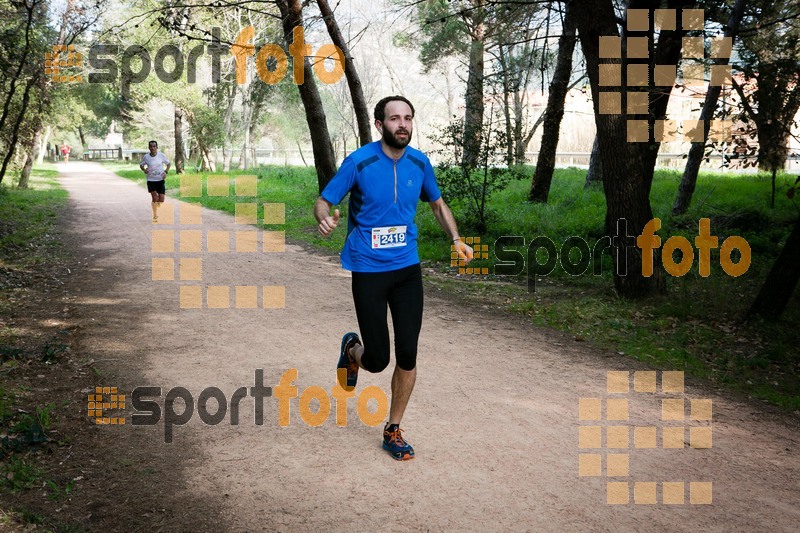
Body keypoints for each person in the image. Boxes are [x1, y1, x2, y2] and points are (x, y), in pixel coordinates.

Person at [314, 96, 473, 461]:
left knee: (407, 353)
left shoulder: (420, 163)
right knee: (378, 359)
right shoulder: (360, 161)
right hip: (368, 270)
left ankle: (393, 428)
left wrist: (456, 239)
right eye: (394, 118)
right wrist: (324, 216)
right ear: (379, 124)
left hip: (406, 270)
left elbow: (437, 204)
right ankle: (353, 350)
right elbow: (324, 199)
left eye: (407, 118)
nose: (402, 124)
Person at [139, 140, 170, 222]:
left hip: (160, 180)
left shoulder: (161, 155)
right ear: (149, 147)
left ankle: (158, 212)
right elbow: (141, 165)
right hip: (151, 180)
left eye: (154, 146)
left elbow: (168, 164)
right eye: (151, 146)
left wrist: (165, 172)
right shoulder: (146, 157)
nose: (152, 148)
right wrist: (144, 169)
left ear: (157, 147)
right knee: (155, 197)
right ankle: (155, 215)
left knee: (161, 200)